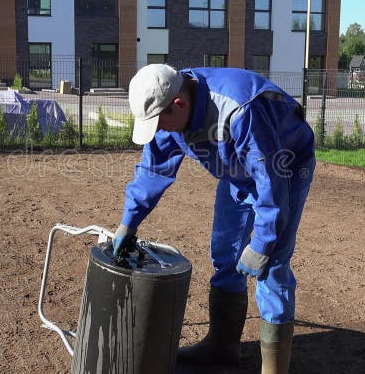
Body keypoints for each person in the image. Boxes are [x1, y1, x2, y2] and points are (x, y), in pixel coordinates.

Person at [112, 64, 316, 374]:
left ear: (179, 104)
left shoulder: (239, 109)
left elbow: (269, 180)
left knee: (271, 267)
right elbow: (154, 168)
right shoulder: (169, 110)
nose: (159, 130)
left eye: (160, 122)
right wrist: (129, 222)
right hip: (237, 171)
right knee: (226, 254)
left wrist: (262, 242)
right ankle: (223, 347)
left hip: (283, 168)